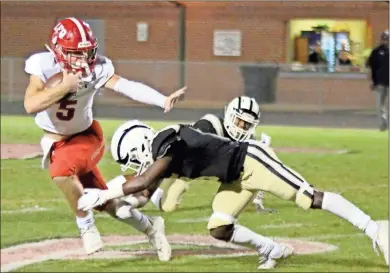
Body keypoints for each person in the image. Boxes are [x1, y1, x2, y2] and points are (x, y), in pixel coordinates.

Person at [78, 120, 389, 269]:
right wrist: (114, 202)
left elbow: (142, 178)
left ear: (138, 146)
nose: (134, 165)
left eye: (132, 159)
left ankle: (377, 229)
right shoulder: (161, 159)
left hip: (253, 160)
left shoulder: (167, 141)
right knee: (219, 226)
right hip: (234, 178)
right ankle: (273, 249)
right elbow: (144, 191)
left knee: (309, 198)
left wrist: (107, 191)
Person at [23, 17, 186, 260]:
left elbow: (126, 86)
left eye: (86, 53)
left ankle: (86, 227)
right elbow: (30, 104)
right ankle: (152, 227)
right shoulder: (42, 64)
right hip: (56, 142)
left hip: (86, 137)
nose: (82, 60)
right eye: (74, 54)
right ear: (58, 51)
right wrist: (64, 86)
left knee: (60, 171)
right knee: (111, 206)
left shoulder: (97, 68)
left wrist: (161, 100)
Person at [106, 96, 276, 214]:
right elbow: (189, 150)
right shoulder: (211, 126)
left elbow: (257, 170)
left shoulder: (248, 141)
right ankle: (107, 195)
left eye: (247, 124)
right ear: (230, 114)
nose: (242, 127)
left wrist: (256, 197)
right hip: (178, 163)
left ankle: (108, 197)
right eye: (239, 121)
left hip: (192, 169)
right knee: (161, 200)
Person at [366, 30, 389, 131]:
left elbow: (370, 67)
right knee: (382, 103)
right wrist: (371, 81)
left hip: (380, 81)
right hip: (381, 81)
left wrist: (371, 81)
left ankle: (383, 120)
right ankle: (383, 120)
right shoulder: (376, 52)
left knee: (382, 103)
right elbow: (370, 67)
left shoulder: (375, 51)